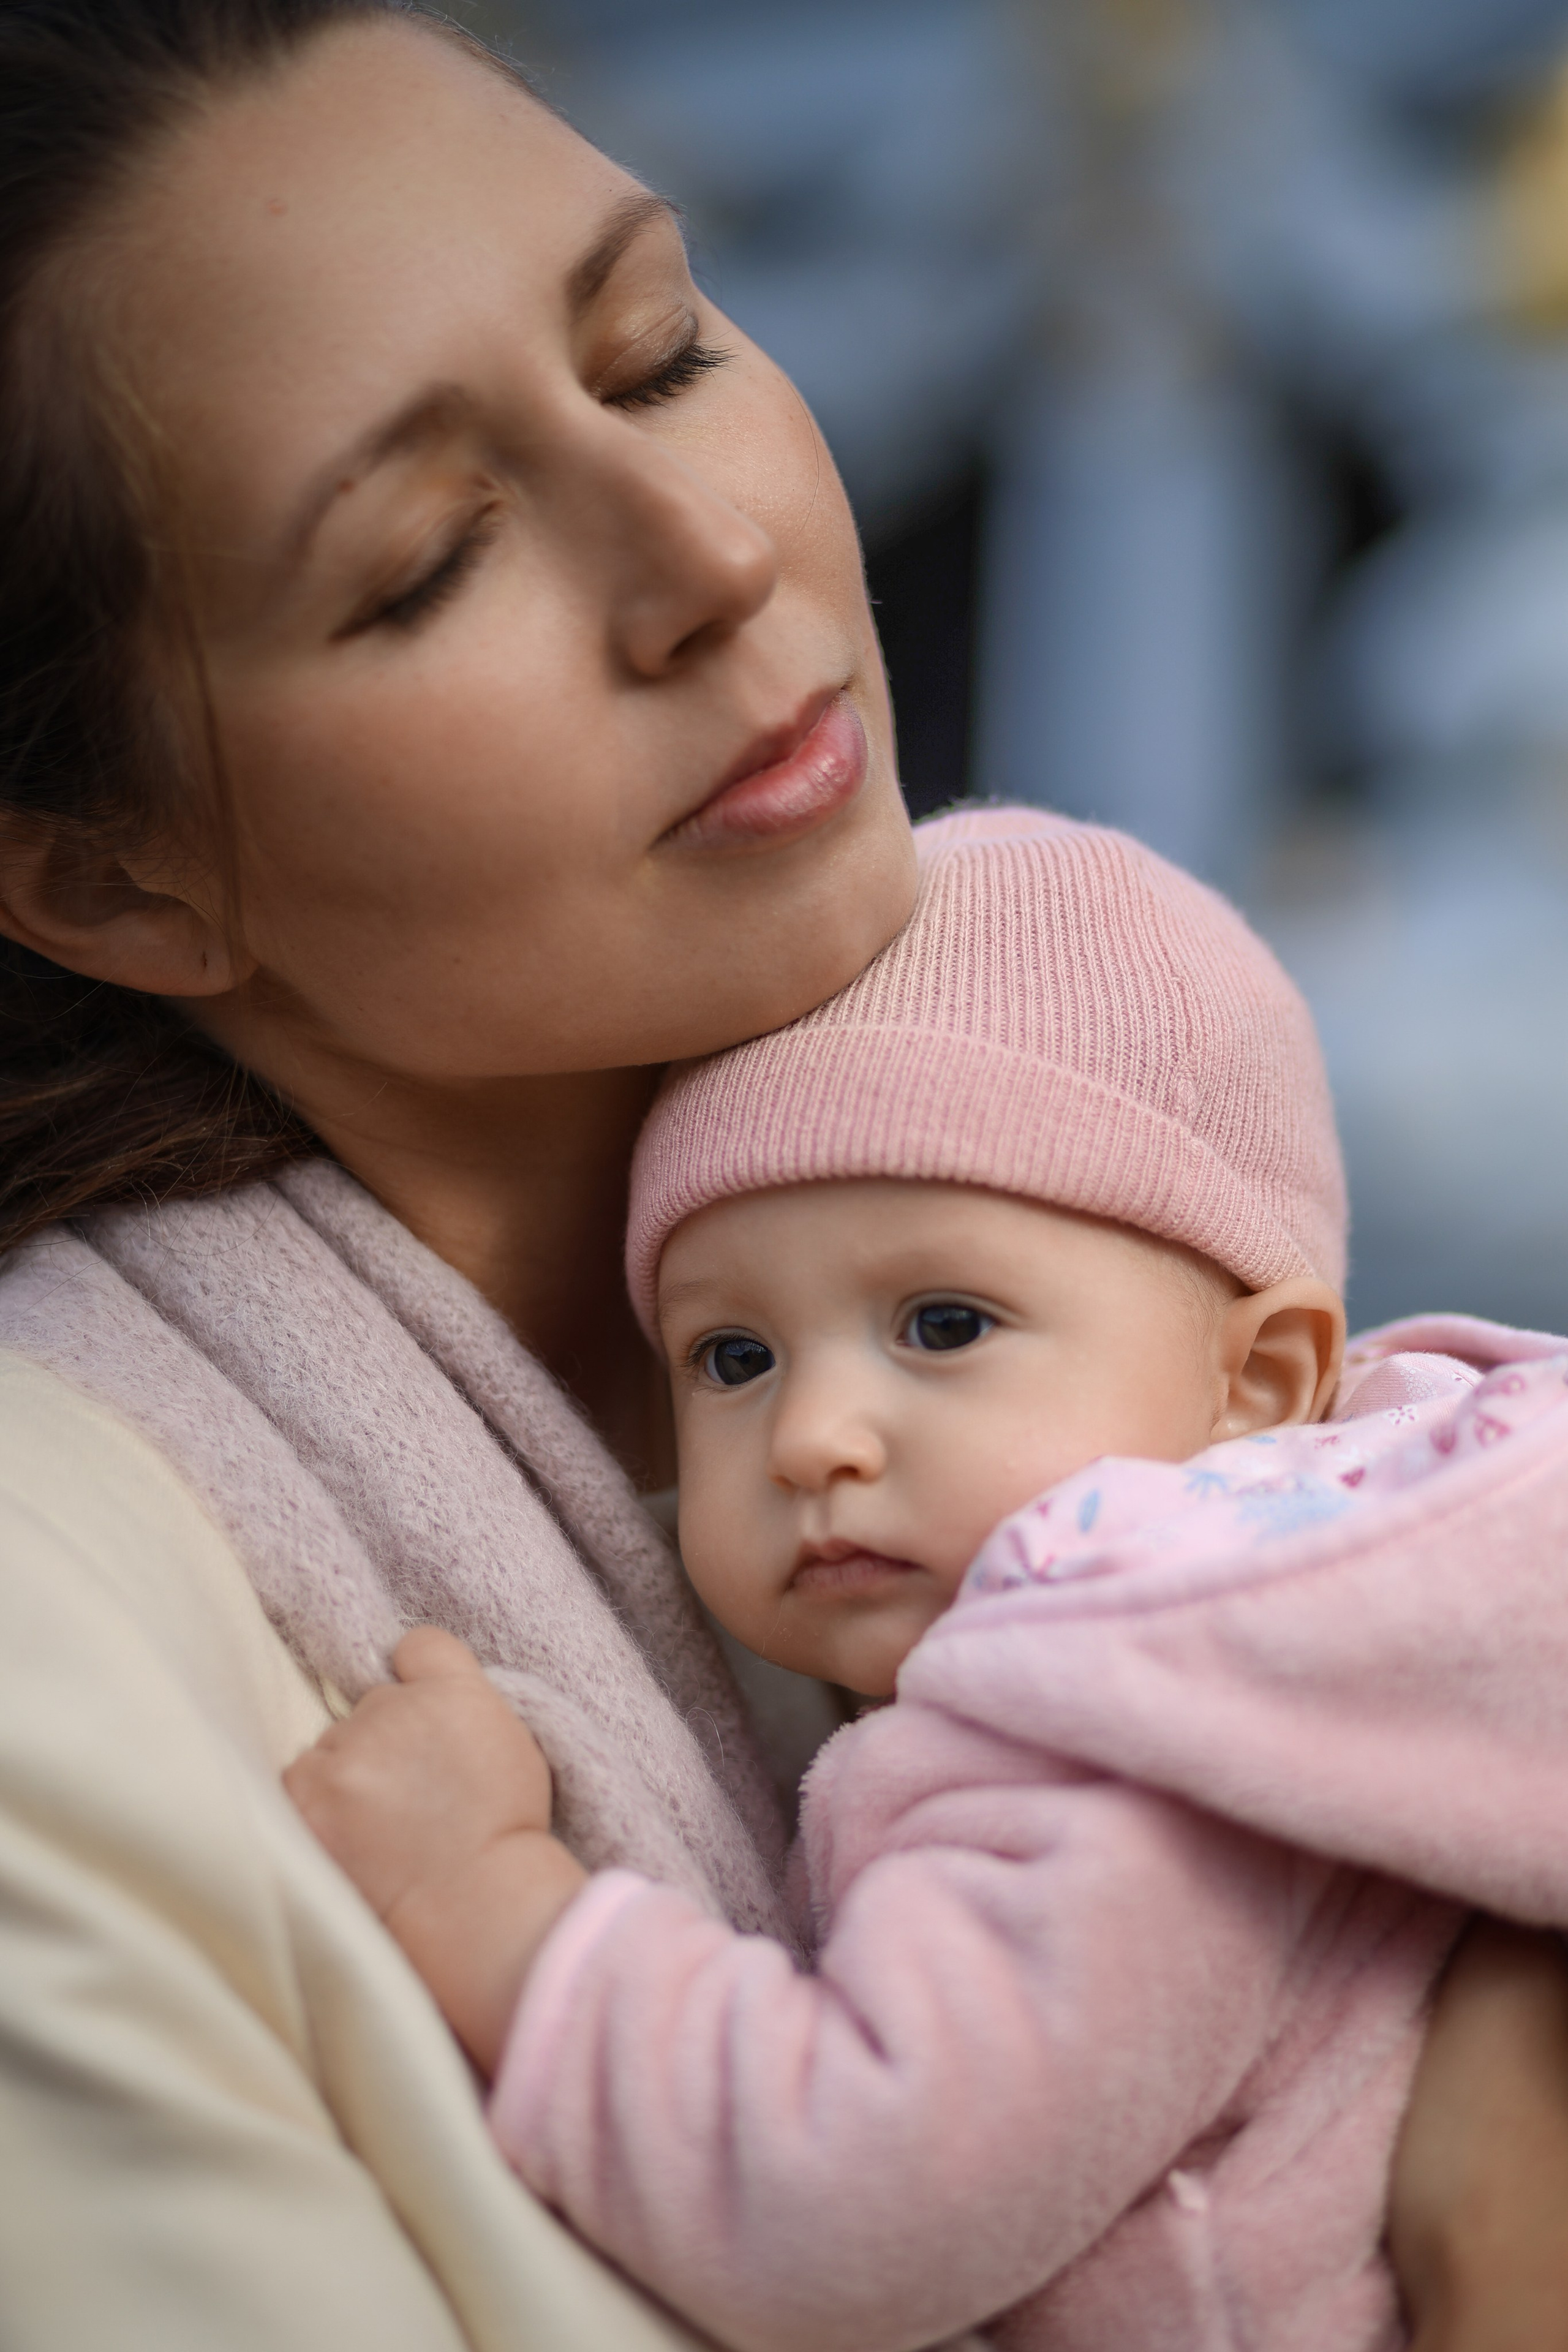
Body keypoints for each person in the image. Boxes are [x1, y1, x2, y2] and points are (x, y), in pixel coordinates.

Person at [0, 2, 1557, 2345]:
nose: (712, 553)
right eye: (426, 562)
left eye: (655, 355)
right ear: (114, 884)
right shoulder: (66, 1666)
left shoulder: (1114, 1290)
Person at [290, 805, 1568, 2350]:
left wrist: (483, 1900)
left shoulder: (1127, 1713)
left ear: (1257, 1381)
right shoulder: (1347, 1599)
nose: (811, 1437)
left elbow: (852, 2204)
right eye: (734, 1356)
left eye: (943, 1326)